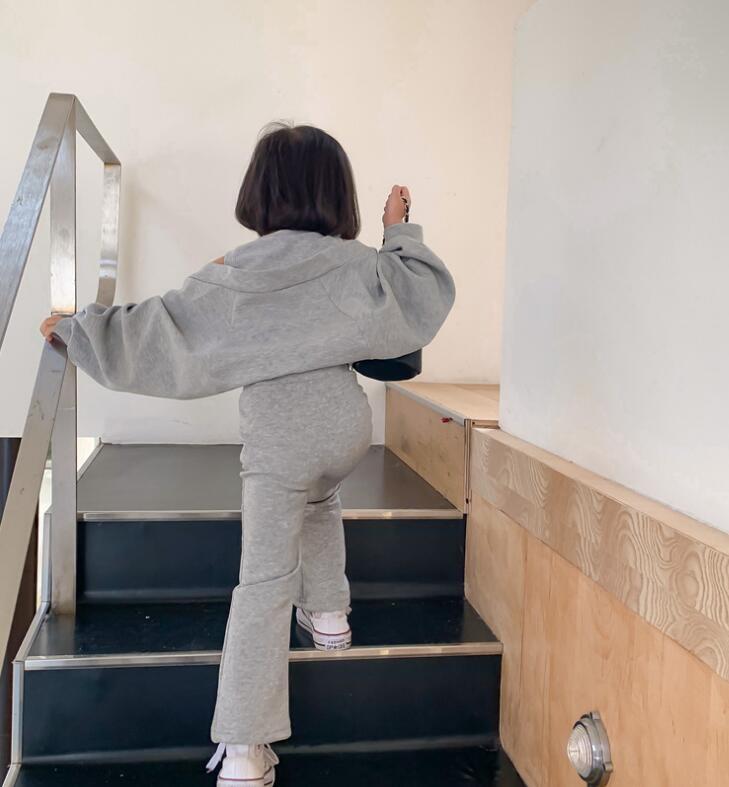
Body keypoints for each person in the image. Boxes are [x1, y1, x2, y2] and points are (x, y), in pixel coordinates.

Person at [40, 121, 456, 786]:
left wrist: (76, 331)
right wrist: (397, 227)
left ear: (259, 191)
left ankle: (242, 746)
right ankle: (330, 615)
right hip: (346, 429)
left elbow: (158, 329)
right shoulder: (355, 262)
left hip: (281, 438)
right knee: (321, 496)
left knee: (262, 583)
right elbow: (419, 291)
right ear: (337, 193)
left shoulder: (234, 273)